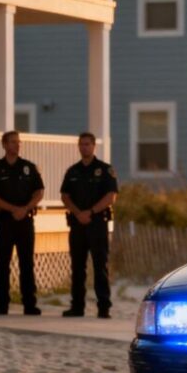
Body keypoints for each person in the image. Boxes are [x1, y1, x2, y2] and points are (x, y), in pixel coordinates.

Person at [0, 131, 45, 316]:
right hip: (4, 221)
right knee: (2, 263)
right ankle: (2, 304)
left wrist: (25, 209)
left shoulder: (28, 167)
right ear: (4, 144)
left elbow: (39, 191)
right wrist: (11, 208)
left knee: (27, 263)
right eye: (13, 142)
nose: (17, 145)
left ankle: (29, 304)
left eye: (19, 142)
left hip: (25, 221)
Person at [60, 132, 118, 319]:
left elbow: (111, 196)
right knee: (77, 266)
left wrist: (90, 212)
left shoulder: (105, 170)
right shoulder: (73, 171)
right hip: (77, 224)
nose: (84, 147)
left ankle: (103, 307)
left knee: (100, 266)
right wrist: (78, 213)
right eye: (81, 144)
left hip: (97, 223)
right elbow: (65, 196)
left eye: (87, 144)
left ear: (94, 146)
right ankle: (77, 306)